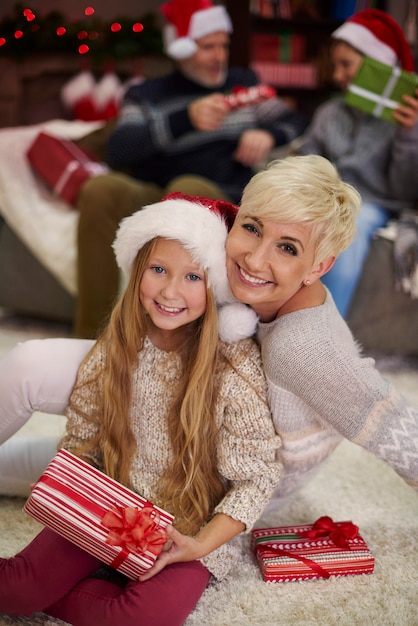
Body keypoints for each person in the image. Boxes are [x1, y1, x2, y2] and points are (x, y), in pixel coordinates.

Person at [1, 155, 418, 504]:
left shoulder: (304, 347)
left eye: (287, 248)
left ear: (319, 267)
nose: (255, 259)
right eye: (252, 228)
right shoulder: (253, 281)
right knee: (30, 406)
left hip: (199, 472)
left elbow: (392, 425)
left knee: (31, 371)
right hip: (174, 413)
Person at [0, 194, 281, 625]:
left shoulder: (234, 366)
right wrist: (73, 510)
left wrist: (201, 544)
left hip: (189, 527)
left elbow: (257, 477)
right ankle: (57, 583)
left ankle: (72, 588)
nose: (170, 291)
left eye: (192, 276)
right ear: (137, 272)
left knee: (144, 617)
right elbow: (82, 437)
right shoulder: (118, 345)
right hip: (109, 505)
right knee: (19, 587)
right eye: (158, 270)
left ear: (214, 288)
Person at [74, 0, 307, 339]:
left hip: (221, 191)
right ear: (181, 50)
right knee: (100, 189)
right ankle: (93, 337)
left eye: (223, 45)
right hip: (157, 191)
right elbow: (120, 147)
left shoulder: (243, 84)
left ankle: (183, 332)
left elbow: (295, 122)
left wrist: (267, 133)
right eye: (207, 47)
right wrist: (185, 119)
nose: (219, 56)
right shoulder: (147, 93)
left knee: (189, 185)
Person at [297, 8, 418, 318]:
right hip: (324, 195)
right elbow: (304, 159)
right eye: (334, 66)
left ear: (377, 65)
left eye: (346, 65)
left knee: (349, 221)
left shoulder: (406, 118)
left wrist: (408, 135)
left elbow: (404, 191)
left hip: (373, 202)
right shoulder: (329, 112)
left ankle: (327, 331)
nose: (337, 76)